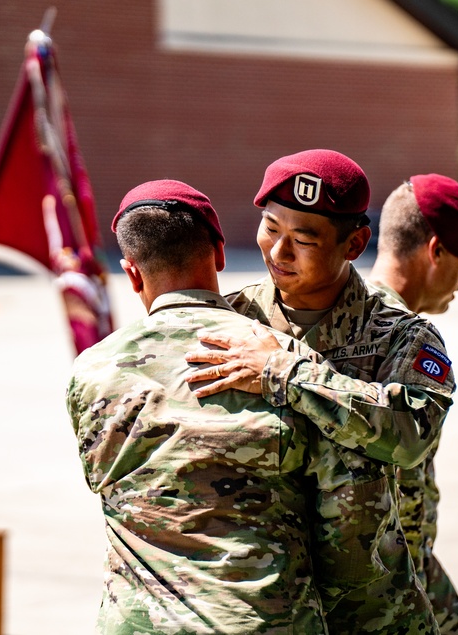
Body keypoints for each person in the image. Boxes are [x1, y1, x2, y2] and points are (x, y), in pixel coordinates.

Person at [65, 179, 410, 633]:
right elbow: (346, 519)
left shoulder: (92, 370)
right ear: (221, 254)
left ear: (132, 273)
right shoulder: (281, 357)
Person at [184, 149, 456, 633]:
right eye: (271, 228)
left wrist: (287, 373)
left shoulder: (400, 335)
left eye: (303, 240)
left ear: (354, 244)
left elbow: (409, 433)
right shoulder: (230, 322)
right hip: (260, 613)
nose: (278, 252)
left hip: (368, 616)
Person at [367, 173, 458, 634]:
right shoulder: (407, 334)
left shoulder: (342, 318)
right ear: (436, 250)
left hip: (409, 569)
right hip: (387, 584)